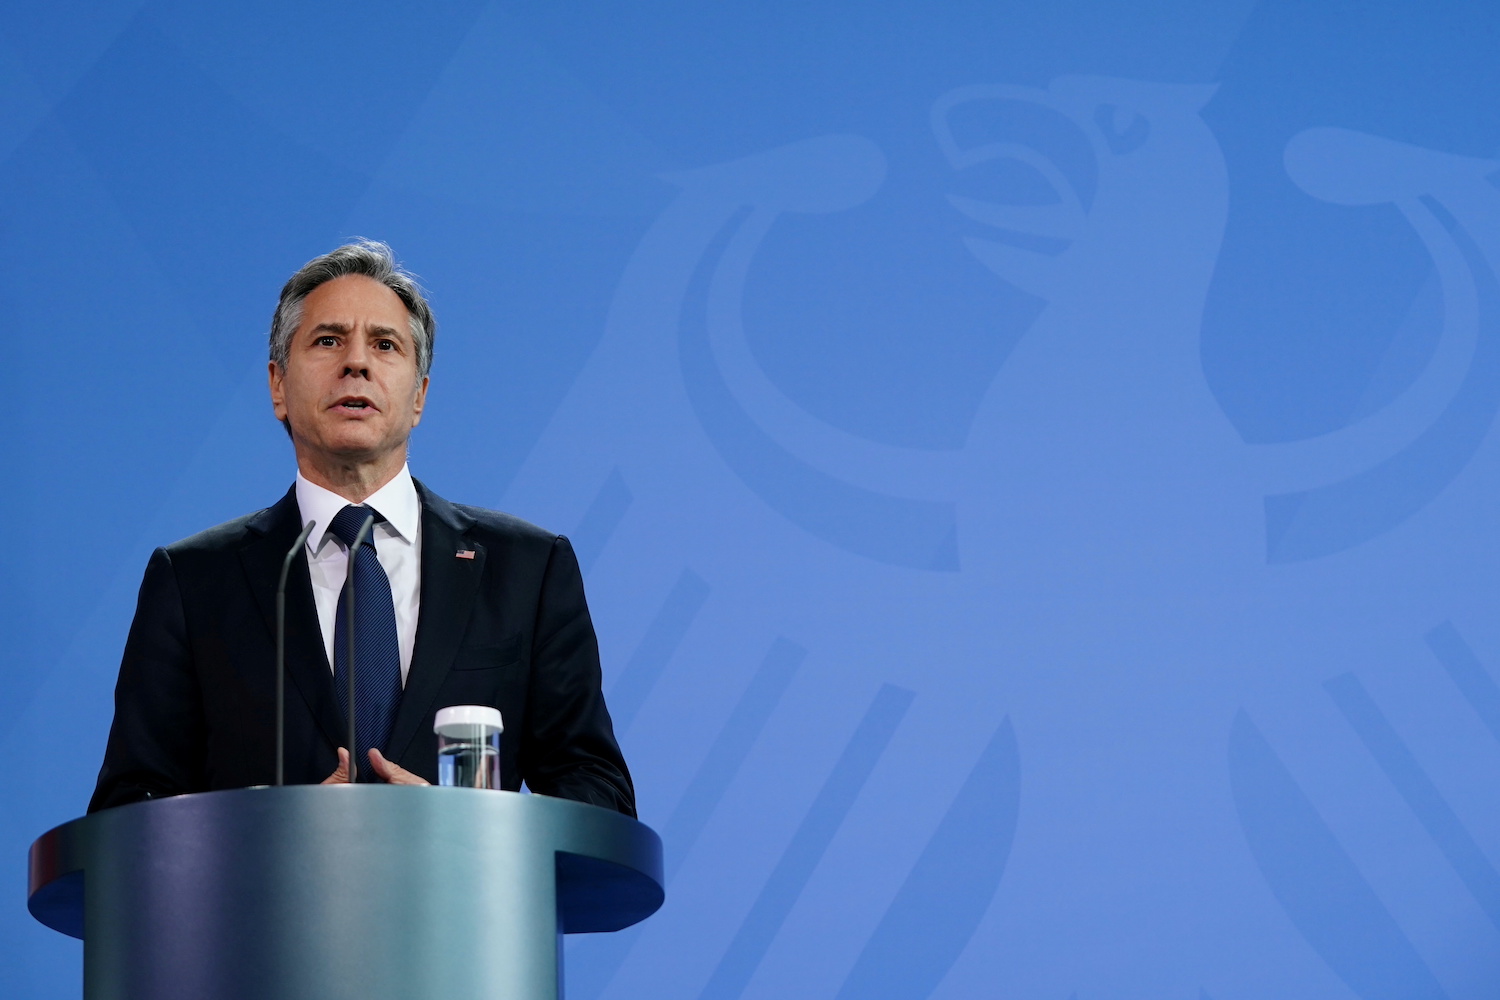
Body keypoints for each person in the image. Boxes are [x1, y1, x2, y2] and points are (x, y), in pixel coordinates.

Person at [88, 241, 634, 815]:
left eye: (384, 344)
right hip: (270, 905)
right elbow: (129, 807)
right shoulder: (195, 581)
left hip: (462, 902)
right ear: (278, 386)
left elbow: (599, 794)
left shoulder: (527, 569)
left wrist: (466, 830)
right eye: (328, 340)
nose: (356, 362)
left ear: (419, 395)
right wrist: (276, 832)